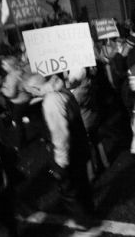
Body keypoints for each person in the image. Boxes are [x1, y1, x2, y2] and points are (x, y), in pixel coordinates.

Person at [23, 74, 94, 229]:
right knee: (82, 184)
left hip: (70, 152)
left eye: (30, 91)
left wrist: (60, 162)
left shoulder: (51, 101)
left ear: (35, 88)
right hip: (80, 146)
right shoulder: (63, 91)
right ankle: (90, 214)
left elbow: (60, 133)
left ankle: (84, 224)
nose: (30, 95)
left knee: (69, 189)